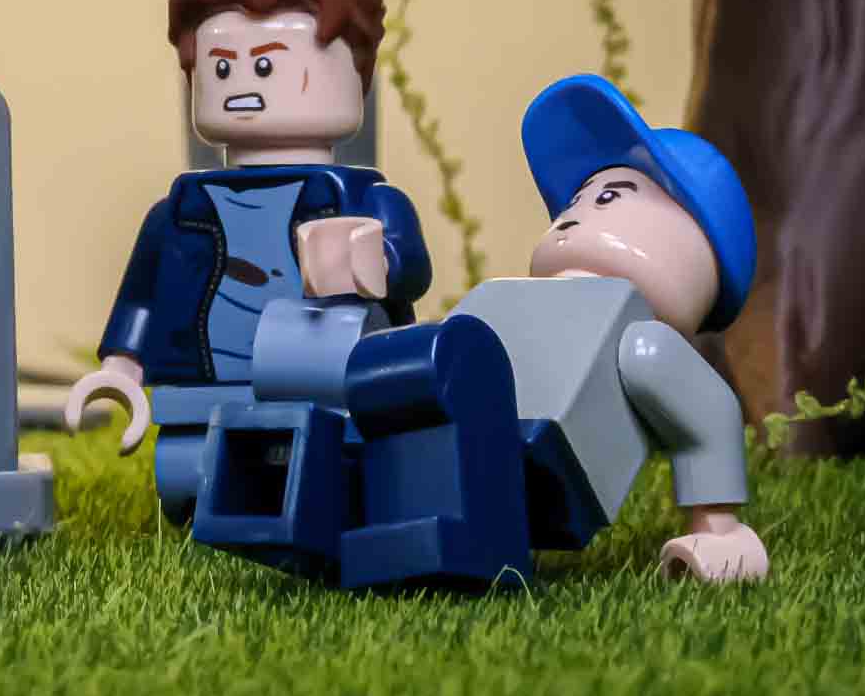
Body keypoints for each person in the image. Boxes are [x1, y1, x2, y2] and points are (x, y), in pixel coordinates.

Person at [191, 72, 767, 589]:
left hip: (529, 457)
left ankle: (386, 518)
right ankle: (303, 502)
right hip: (464, 430)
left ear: (698, 249)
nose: (576, 212)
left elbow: (709, 416)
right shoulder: (515, 299)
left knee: (442, 375)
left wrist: (717, 528)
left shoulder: (641, 341)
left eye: (609, 198)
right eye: (580, 198)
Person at [63, 0, 430, 522]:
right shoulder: (180, 211)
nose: (242, 85)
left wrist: (370, 263)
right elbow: (142, 298)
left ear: (354, 75)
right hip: (204, 390)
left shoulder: (362, 200)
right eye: (221, 67)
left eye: (265, 64)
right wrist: (121, 369)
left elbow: (409, 265)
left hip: (328, 386)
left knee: (338, 478)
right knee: (190, 477)